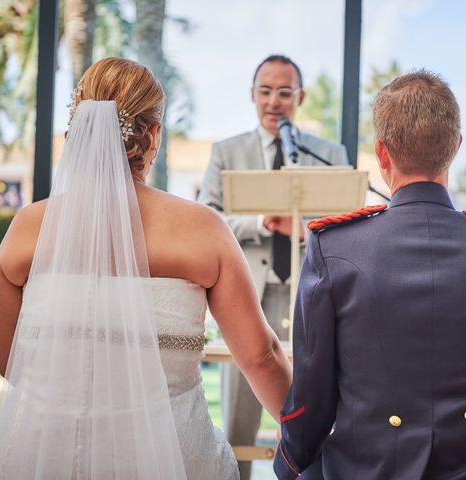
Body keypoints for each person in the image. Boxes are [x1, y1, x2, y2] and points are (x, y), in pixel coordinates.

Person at [0, 57, 291, 479]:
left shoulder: (28, 228)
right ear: (153, 135)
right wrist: (307, 440)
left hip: (43, 458)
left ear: (80, 129)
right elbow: (261, 357)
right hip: (172, 459)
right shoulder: (201, 230)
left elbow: (11, 362)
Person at [274, 70, 466, 479]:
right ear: (454, 148)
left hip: (365, 468)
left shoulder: (333, 247)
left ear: (381, 153)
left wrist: (290, 460)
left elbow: (313, 392)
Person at [197, 54, 348, 479]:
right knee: (239, 423)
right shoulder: (227, 152)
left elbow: (343, 221)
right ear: (252, 95)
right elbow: (208, 217)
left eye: (285, 91)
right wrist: (263, 221)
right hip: (246, 297)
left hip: (311, 295)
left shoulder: (327, 153)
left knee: (318, 415)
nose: (274, 101)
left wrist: (304, 229)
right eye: (265, 91)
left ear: (300, 97)